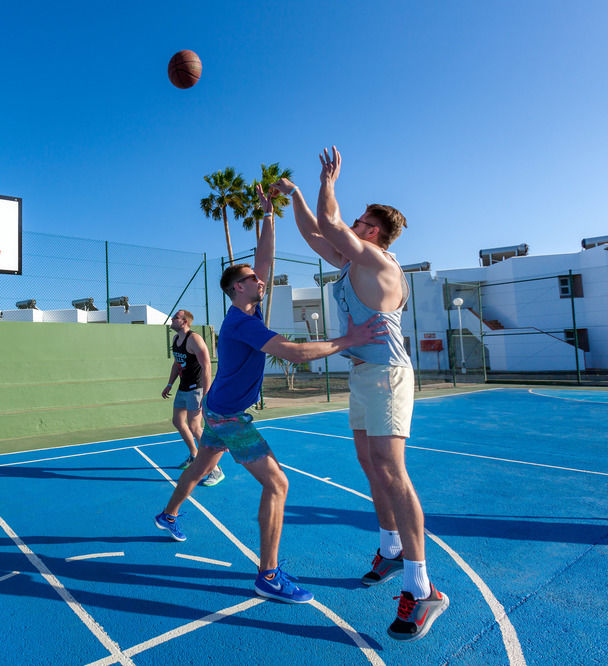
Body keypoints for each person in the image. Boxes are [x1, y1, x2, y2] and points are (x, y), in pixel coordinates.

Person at [154, 184, 387, 604]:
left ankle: (168, 514)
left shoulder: (249, 306)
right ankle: (269, 574)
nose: (260, 279)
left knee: (202, 465)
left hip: (219, 410)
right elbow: (294, 353)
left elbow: (264, 259)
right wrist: (345, 339)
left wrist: (267, 215)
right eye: (251, 279)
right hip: (228, 415)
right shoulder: (241, 323)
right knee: (278, 484)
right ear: (236, 289)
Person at [270, 146, 449, 641]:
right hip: (362, 374)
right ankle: (390, 549)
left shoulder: (381, 263)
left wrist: (327, 181)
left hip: (389, 373)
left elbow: (329, 222)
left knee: (393, 470)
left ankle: (424, 587)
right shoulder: (351, 264)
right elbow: (314, 230)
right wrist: (298, 195)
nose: (355, 225)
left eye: (364, 223)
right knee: (371, 466)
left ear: (378, 234)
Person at [162, 309, 221, 485]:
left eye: (176, 318)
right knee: (178, 422)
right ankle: (195, 454)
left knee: (195, 427)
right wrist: (170, 383)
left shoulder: (194, 339)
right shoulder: (175, 339)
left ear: (185, 321)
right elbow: (177, 364)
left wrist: (206, 394)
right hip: (183, 387)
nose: (172, 319)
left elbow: (207, 367)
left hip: (196, 389)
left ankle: (215, 469)